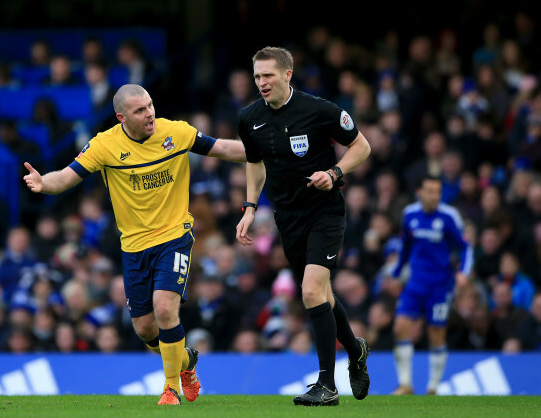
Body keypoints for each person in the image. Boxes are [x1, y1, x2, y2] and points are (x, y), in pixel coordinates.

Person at [23, 83, 246, 405]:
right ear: (121, 117)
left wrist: (263, 149)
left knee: (165, 307)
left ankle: (170, 389)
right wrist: (44, 183)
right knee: (144, 329)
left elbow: (224, 149)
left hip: (174, 237)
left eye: (150, 105)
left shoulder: (175, 133)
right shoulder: (105, 145)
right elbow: (66, 177)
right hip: (134, 247)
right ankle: (185, 362)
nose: (150, 113)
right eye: (140, 110)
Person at [236, 46, 372, 407]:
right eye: (257, 77)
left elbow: (362, 146)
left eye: (268, 75)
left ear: (287, 75)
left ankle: (327, 385)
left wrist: (334, 172)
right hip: (287, 217)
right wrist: (250, 207)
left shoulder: (320, 110)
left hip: (325, 211)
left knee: (312, 291)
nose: (262, 82)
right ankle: (356, 349)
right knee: (322, 295)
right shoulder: (249, 118)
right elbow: (254, 163)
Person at [390, 175, 474, 395]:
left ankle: (433, 387)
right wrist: (396, 272)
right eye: (430, 191)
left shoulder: (449, 216)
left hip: (440, 284)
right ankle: (405, 384)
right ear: (419, 192)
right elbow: (405, 247)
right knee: (400, 328)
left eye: (437, 191)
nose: (434, 196)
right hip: (415, 282)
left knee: (436, 333)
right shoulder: (409, 214)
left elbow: (465, 247)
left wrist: (463, 273)